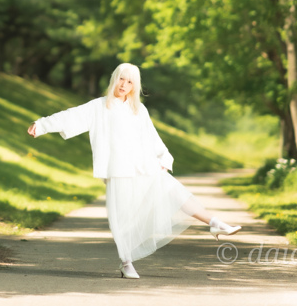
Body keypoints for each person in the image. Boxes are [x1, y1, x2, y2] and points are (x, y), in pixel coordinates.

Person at [27, 62, 241, 279]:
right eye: (121, 79)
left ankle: (214, 223)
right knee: (121, 218)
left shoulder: (138, 110)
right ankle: (126, 262)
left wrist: (163, 158)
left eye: (130, 82)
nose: (124, 84)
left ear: (134, 86)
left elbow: (151, 136)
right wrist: (41, 125)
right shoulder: (99, 107)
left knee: (174, 191)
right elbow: (71, 116)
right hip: (117, 170)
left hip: (144, 166)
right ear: (114, 78)